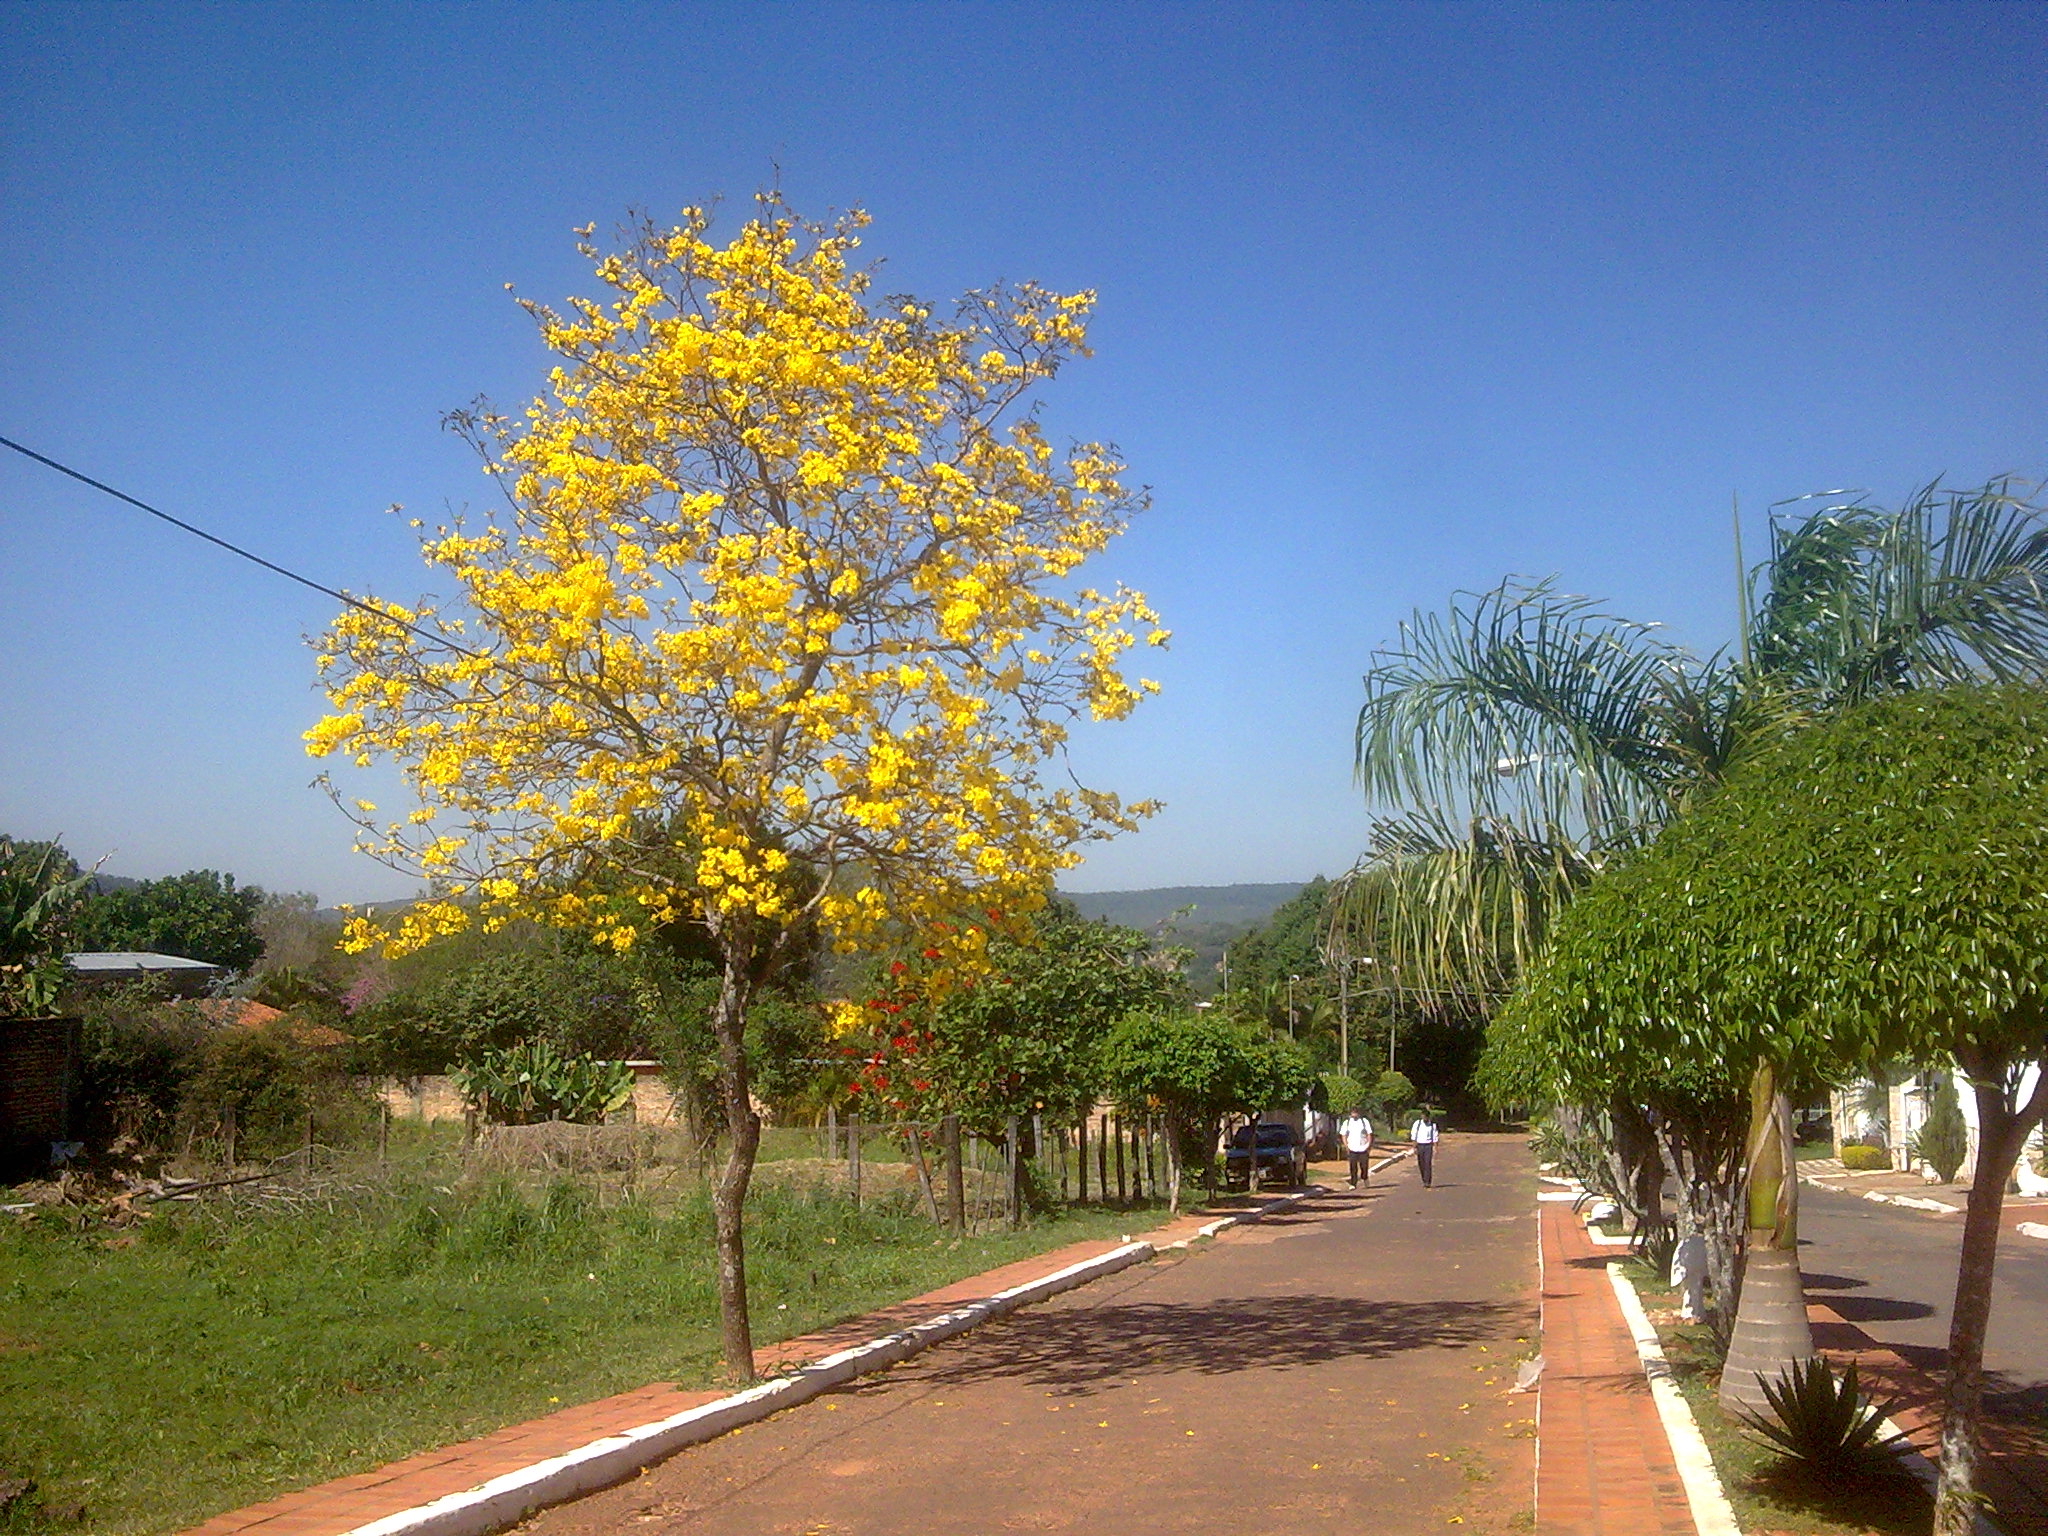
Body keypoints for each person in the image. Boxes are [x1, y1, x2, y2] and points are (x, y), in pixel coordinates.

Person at [1338, 1107, 1375, 1188]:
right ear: (1350, 1113)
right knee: (1353, 1167)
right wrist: (1346, 1145)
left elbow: (1369, 1133)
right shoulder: (1347, 1123)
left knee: (1364, 1166)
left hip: (1363, 1147)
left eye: (1356, 1112)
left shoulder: (1364, 1122)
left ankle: (1365, 1177)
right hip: (1352, 1147)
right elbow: (1343, 1135)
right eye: (1352, 1113)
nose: (1354, 1114)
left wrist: (1368, 1145)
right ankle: (1353, 1183)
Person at [1409, 1109, 1440, 1187]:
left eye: (1426, 1117)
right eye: (1423, 1116)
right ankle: (1424, 1179)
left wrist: (1435, 1147)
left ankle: (1428, 1181)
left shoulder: (1432, 1125)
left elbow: (1435, 1136)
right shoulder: (1417, 1124)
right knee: (1421, 1163)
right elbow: (1414, 1135)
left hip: (1428, 1146)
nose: (1424, 1118)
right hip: (1420, 1145)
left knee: (1427, 1163)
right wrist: (1414, 1147)